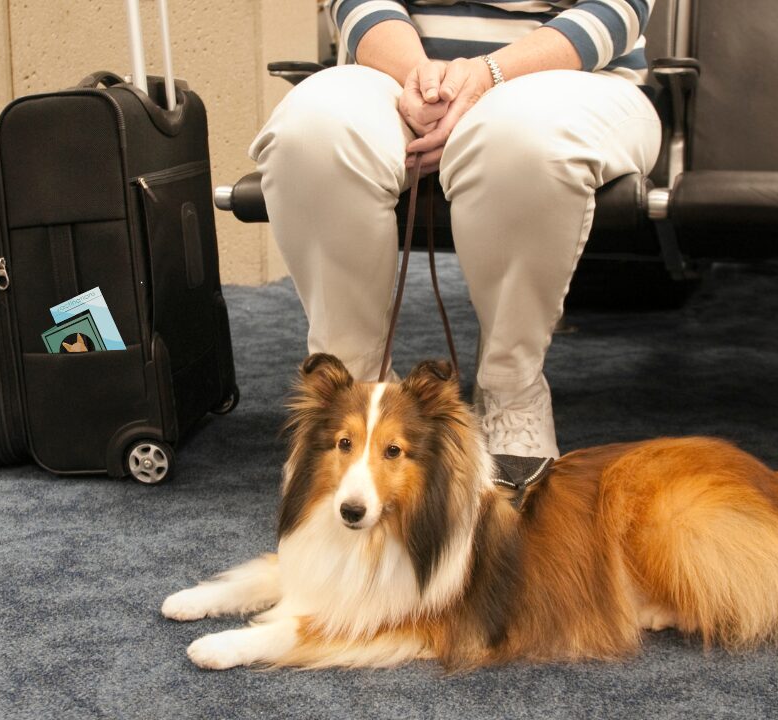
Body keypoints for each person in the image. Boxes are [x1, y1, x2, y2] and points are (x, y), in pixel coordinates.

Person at [250, 0, 661, 482]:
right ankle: (354, 393)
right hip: (397, 72)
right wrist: (427, 82)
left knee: (522, 140)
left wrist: (486, 78)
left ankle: (512, 389)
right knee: (312, 133)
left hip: (575, 77)